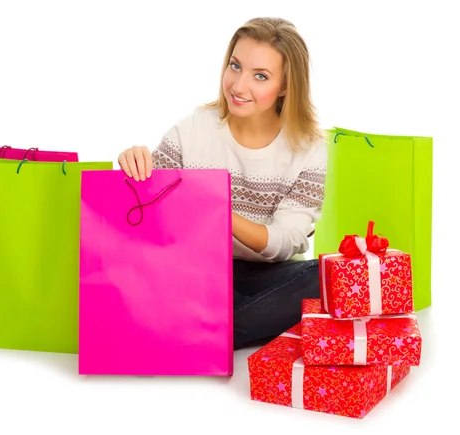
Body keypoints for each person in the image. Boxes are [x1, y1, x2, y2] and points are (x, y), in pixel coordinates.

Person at [117, 17, 327, 350]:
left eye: (260, 76)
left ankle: (194, 332)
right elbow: (148, 217)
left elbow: (286, 242)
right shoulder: (192, 130)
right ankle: (228, 327)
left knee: (325, 277)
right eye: (235, 66)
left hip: (266, 276)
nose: (239, 86)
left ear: (286, 86)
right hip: (195, 270)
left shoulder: (308, 150)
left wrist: (218, 209)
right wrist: (134, 166)